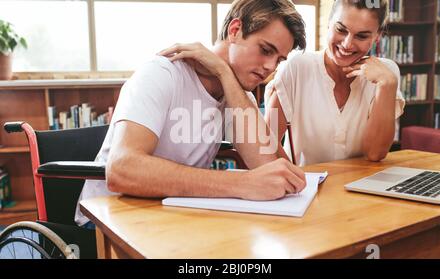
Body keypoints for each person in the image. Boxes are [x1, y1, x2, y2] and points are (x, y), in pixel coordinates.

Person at [75, 0, 307, 227]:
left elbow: (269, 168)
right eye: (266, 50)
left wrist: (223, 72)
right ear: (235, 30)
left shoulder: (237, 94)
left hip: (170, 216)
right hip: (108, 219)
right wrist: (242, 183)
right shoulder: (162, 73)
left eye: (279, 60)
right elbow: (122, 170)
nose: (270, 67)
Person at [264, 0, 405, 166]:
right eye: (341, 29)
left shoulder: (387, 73)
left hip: (361, 185)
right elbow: (266, 142)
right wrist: (295, 179)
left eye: (362, 36)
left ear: (377, 36)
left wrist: (386, 85)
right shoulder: (296, 68)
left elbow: (375, 153)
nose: (347, 44)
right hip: (307, 187)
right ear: (329, 24)